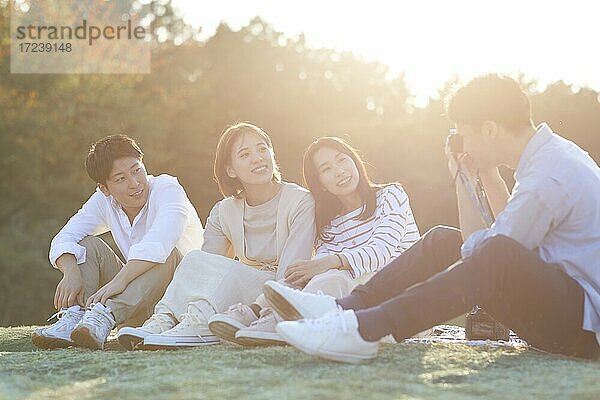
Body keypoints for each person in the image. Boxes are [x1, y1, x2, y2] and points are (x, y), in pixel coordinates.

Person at [266, 74, 600, 363]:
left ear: (489, 129)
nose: (464, 143)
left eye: (464, 134)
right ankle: (345, 309)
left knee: (497, 252)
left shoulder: (547, 177)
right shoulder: (551, 156)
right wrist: (470, 178)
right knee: (443, 239)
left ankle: (364, 330)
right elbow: (487, 243)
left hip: (580, 331)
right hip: (567, 305)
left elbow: (493, 254)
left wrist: (469, 178)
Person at [116, 122, 315, 350]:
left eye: (262, 149)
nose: (258, 158)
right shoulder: (224, 211)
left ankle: (201, 326)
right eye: (245, 154)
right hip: (242, 292)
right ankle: (164, 320)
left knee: (228, 270)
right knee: (194, 259)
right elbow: (205, 268)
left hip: (279, 292)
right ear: (230, 170)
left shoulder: (300, 201)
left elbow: (292, 274)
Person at [207, 137, 420, 346]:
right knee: (309, 275)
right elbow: (317, 270)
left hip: (400, 299)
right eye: (326, 169)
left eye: (342, 160)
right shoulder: (329, 225)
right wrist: (308, 271)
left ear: (355, 161)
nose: (339, 171)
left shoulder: (391, 195)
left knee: (334, 275)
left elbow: (380, 252)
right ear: (321, 185)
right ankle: (259, 310)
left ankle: (278, 319)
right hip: (358, 300)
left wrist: (329, 263)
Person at [32, 134, 204, 350]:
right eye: (121, 179)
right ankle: (77, 318)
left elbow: (160, 242)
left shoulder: (168, 188)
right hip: (138, 303)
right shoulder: (103, 201)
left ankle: (105, 316)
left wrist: (120, 280)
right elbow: (66, 236)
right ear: (104, 187)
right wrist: (71, 272)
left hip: (181, 301)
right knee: (86, 245)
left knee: (167, 253)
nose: (135, 184)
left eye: (136, 170)